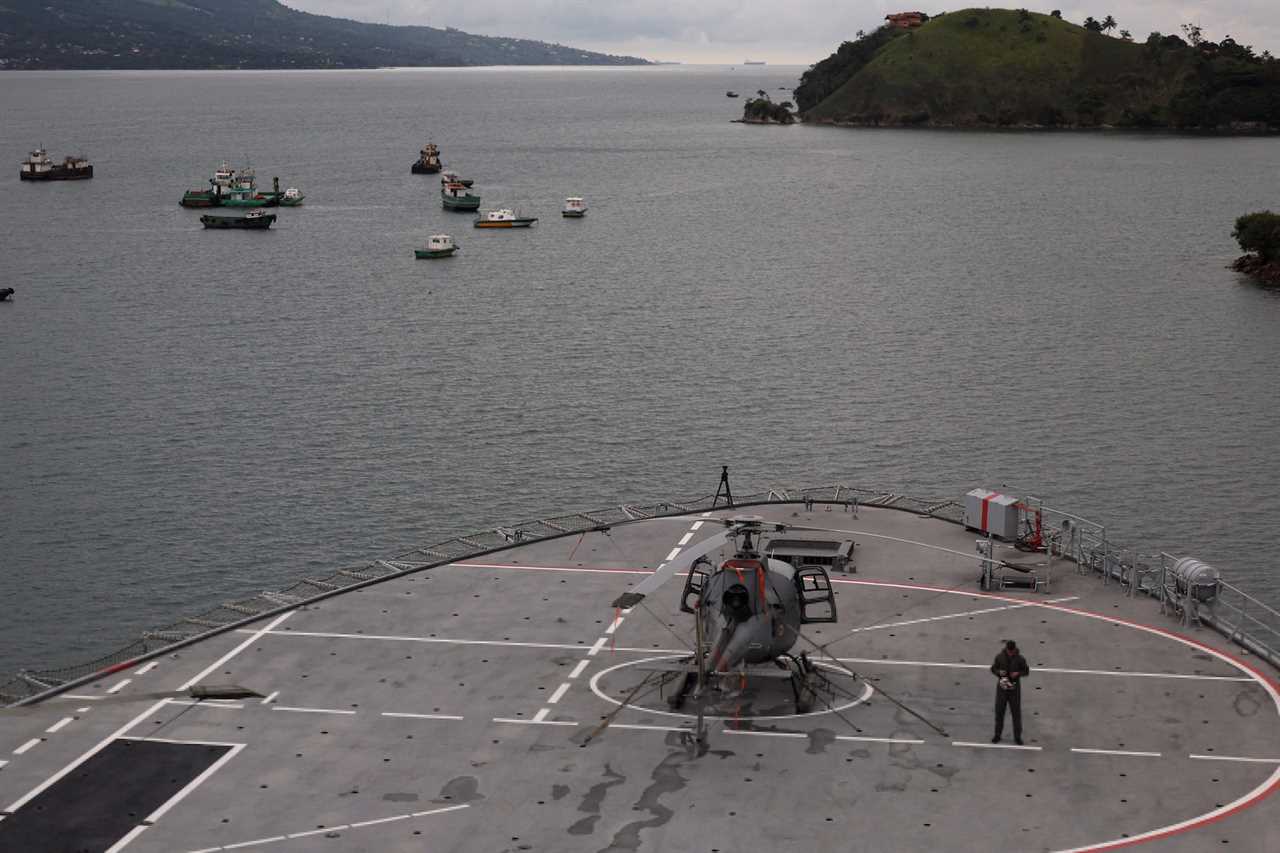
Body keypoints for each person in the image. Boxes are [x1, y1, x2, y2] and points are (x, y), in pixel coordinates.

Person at [991, 639, 1030, 744]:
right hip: (1002, 689)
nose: (1011, 653)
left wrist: (1018, 673)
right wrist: (999, 672)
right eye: (1009, 651)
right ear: (1007, 649)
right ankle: (997, 735)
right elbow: (993, 668)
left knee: (1016, 714)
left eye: (1012, 651)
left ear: (1014, 649)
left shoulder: (1020, 659)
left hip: (1014, 691)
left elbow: (1026, 671)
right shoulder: (999, 657)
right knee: (999, 713)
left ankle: (1017, 737)